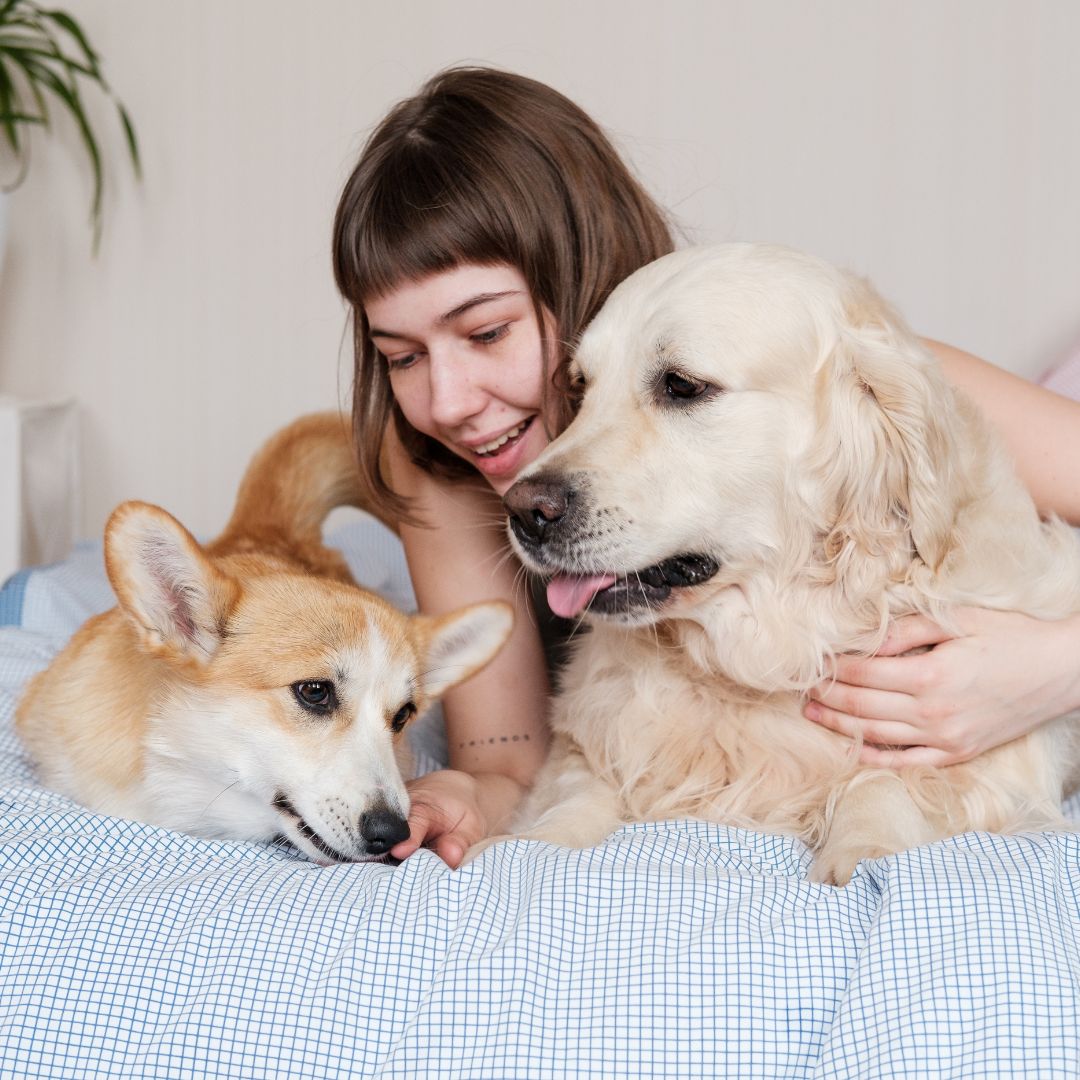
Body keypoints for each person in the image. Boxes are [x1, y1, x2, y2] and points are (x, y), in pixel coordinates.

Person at [332, 66, 1080, 867]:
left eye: (486, 333)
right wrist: (461, 795)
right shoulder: (439, 464)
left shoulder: (868, 375)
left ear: (578, 279)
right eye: (403, 356)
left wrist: (1049, 668)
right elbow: (508, 756)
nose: (447, 401)